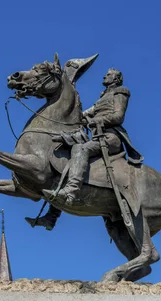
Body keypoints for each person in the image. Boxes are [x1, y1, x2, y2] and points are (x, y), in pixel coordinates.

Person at [27, 68, 143, 229]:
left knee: (80, 149)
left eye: (108, 74)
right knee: (65, 161)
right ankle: (51, 216)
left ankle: (71, 190)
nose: (104, 75)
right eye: (106, 73)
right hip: (97, 137)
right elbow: (84, 115)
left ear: (116, 79)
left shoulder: (121, 92)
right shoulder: (102, 97)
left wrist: (95, 120)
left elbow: (118, 116)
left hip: (111, 137)